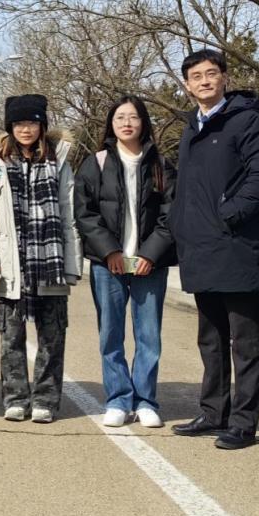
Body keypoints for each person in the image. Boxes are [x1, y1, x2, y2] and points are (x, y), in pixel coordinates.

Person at [168, 49, 259, 449]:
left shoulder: (246, 120)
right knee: (210, 338)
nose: (204, 81)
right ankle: (214, 412)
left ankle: (243, 422)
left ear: (224, 78)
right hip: (200, 248)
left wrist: (230, 214)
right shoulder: (191, 127)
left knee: (245, 341)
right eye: (196, 76)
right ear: (187, 85)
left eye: (211, 73)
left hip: (237, 246)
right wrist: (179, 224)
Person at [0, 95, 82, 424]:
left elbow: (69, 216)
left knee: (52, 336)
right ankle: (16, 398)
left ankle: (46, 399)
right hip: (11, 262)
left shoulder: (59, 162)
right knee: (11, 336)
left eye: (32, 123)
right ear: (10, 127)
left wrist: (72, 264)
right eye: (19, 123)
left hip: (50, 260)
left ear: (42, 125)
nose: (25, 129)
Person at [74, 95, 177, 428]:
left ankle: (146, 401)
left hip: (150, 264)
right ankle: (118, 399)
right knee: (111, 334)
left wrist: (150, 253)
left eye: (133, 117)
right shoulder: (96, 163)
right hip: (109, 265)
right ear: (111, 124)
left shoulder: (161, 164)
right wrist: (110, 251)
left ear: (144, 122)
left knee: (149, 336)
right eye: (120, 117)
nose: (126, 123)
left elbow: (171, 213)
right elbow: (85, 213)